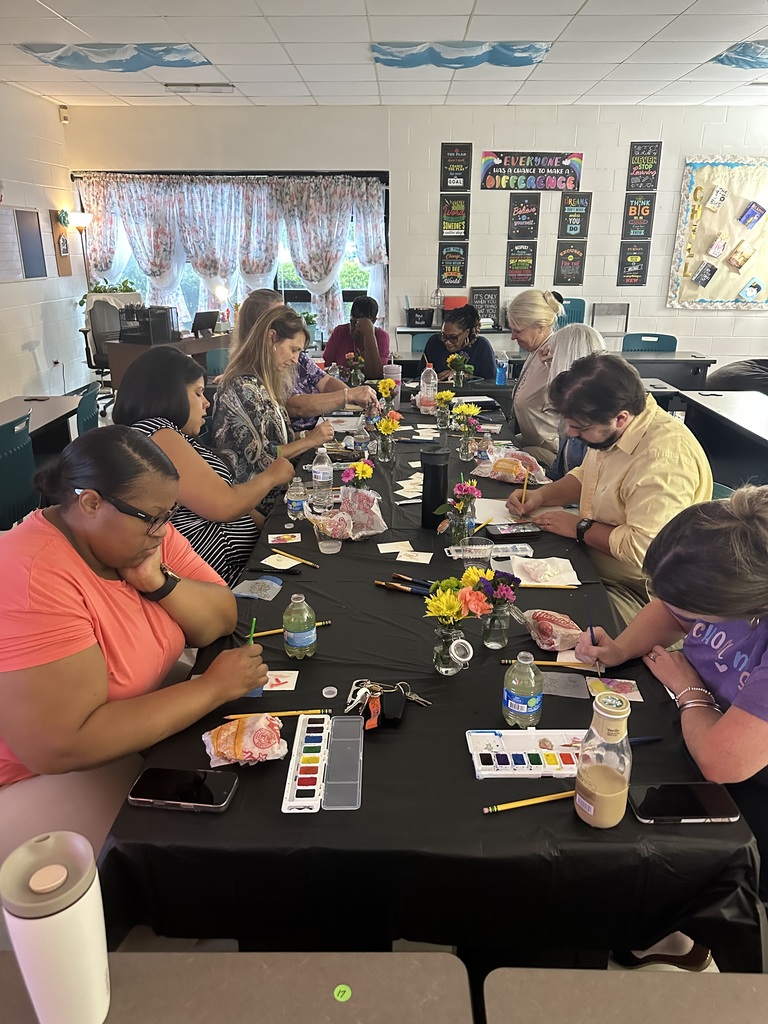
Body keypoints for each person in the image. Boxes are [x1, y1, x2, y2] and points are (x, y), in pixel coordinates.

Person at [0, 425, 268, 863]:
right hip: (37, 777)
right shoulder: (33, 577)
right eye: (156, 518)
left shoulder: (138, 535)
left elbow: (222, 617)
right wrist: (209, 688)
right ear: (90, 504)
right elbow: (62, 744)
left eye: (169, 516)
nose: (165, 531)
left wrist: (159, 582)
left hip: (136, 721)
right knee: (198, 848)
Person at [575, 486, 768, 969]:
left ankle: (682, 925)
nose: (688, 618)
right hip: (707, 721)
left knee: (649, 825)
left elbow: (725, 762)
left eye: (700, 614)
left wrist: (688, 689)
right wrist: (618, 649)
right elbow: (669, 608)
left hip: (748, 770)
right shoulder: (734, 543)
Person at [506, 352, 712, 626]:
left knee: (533, 619)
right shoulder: (615, 429)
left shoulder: (663, 459)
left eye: (580, 427)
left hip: (642, 593)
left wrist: (580, 527)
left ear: (621, 418)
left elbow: (643, 549)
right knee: (507, 582)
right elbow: (586, 476)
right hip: (592, 559)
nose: (571, 434)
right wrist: (541, 495)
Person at [113, 346, 295, 586]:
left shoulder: (173, 435)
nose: (206, 403)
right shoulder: (156, 433)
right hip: (225, 581)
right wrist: (271, 476)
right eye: (198, 393)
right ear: (171, 394)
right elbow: (223, 505)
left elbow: (224, 493)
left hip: (248, 564)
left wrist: (273, 534)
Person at [212, 306, 335, 514]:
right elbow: (264, 457)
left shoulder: (261, 383)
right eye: (293, 349)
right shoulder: (243, 387)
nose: (296, 359)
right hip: (255, 503)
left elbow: (277, 440)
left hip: (275, 491)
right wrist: (310, 440)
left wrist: (308, 436)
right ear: (271, 339)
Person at [235, 289, 378, 432]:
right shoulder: (256, 369)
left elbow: (325, 381)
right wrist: (349, 395)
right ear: (262, 327)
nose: (287, 319)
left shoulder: (293, 355)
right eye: (278, 316)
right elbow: (295, 407)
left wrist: (356, 398)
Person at [506, 288, 565, 466]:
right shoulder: (536, 351)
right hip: (534, 442)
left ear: (541, 327)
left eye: (518, 331)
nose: (512, 337)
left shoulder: (557, 356)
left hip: (553, 453)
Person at [542, 323, 607, 480]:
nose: (548, 361)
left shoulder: (597, 419)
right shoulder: (571, 403)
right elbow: (559, 470)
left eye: (553, 357)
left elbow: (587, 486)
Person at [419, 304, 496, 381]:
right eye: (443, 336)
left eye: (453, 337)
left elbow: (491, 382)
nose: (447, 342)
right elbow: (420, 376)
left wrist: (463, 375)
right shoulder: (435, 342)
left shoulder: (481, 347)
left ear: (466, 333)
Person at [322, 295, 390, 380]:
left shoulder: (381, 336)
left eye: (362, 325)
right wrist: (338, 370)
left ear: (374, 321)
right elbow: (323, 366)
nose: (356, 329)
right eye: (353, 322)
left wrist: (369, 335)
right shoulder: (340, 332)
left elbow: (375, 375)